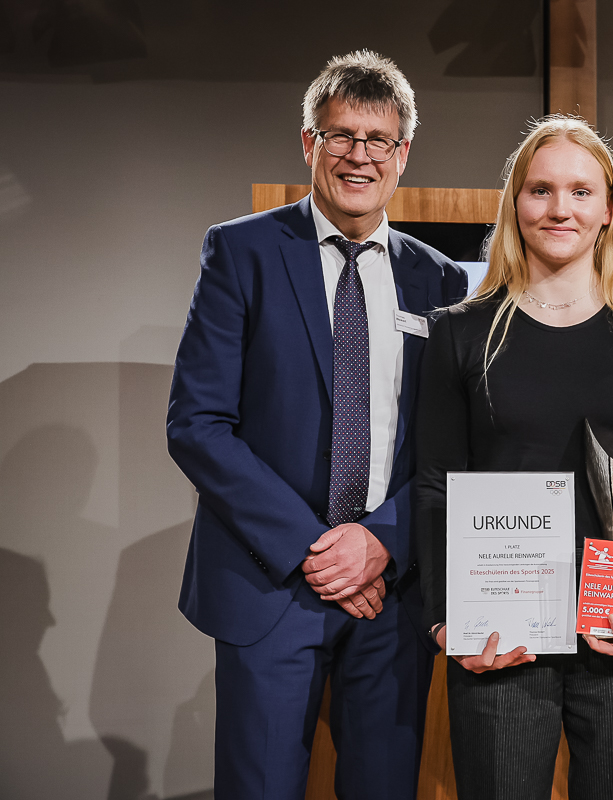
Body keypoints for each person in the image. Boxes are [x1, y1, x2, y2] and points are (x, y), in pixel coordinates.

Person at [167, 50, 468, 799]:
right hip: (270, 584)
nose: (359, 156)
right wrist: (316, 550)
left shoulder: (440, 280)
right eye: (340, 136)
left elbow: (451, 444)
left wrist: (380, 541)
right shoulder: (241, 252)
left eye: (378, 140)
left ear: (403, 154)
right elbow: (198, 424)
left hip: (391, 591)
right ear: (310, 143)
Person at [413, 116, 613, 799]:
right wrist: (444, 618)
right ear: (516, 203)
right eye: (540, 190)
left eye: (580, 191)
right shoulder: (461, 332)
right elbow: (435, 485)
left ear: (608, 209)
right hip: (502, 636)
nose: (559, 208)